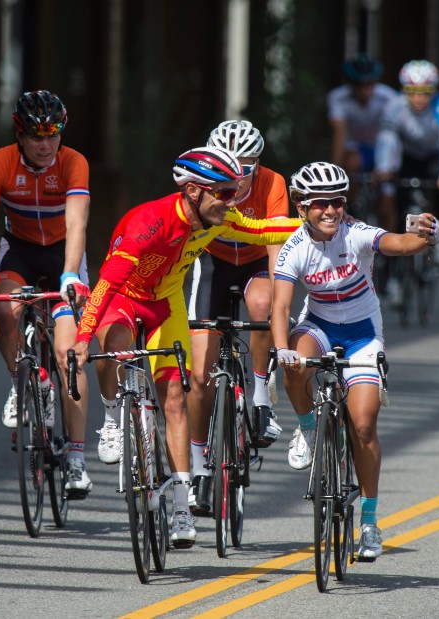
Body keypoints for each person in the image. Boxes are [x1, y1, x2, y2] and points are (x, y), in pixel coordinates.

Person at [68, 146, 299, 549]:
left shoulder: (217, 216)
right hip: (126, 297)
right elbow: (105, 287)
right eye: (224, 192)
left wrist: (320, 222)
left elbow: (266, 230)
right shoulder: (148, 224)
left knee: (175, 397)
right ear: (194, 191)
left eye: (234, 192)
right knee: (113, 345)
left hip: (165, 303)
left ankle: (180, 506)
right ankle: (109, 418)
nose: (233, 200)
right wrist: (82, 339)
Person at [271, 161, 439, 562]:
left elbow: (399, 243)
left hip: (363, 333)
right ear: (301, 208)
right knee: (294, 362)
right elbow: (280, 307)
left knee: (363, 425)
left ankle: (368, 522)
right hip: (318, 326)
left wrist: (426, 236)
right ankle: (309, 428)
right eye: (319, 204)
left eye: (337, 202)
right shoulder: (294, 248)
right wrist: (281, 349)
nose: (329, 211)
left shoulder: (356, 233)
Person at [0, 90, 93, 496]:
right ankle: (21, 383)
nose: (46, 144)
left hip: (63, 253)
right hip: (19, 251)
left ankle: (77, 459)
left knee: (71, 355)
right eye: (36, 136)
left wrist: (71, 275)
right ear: (20, 135)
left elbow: (78, 224)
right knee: (5, 311)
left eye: (53, 134)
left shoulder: (74, 162)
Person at [186, 120, 287, 516]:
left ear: (258, 163)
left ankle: (261, 398)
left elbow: (279, 252)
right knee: (199, 376)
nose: (240, 174)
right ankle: (196, 469)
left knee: (262, 305)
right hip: (213, 264)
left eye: (248, 165)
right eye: (232, 164)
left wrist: (281, 312)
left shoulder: (273, 184)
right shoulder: (201, 180)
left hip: (258, 262)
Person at [375, 59, 439, 298]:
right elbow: (387, 140)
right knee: (399, 203)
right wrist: (384, 168)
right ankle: (395, 275)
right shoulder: (394, 107)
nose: (419, 98)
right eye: (412, 92)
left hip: (435, 156)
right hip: (408, 156)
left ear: (433, 91)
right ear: (404, 91)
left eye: (425, 92)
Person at [327, 54, 398, 203]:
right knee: (351, 163)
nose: (364, 90)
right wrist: (334, 170)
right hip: (356, 148)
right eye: (359, 85)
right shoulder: (338, 97)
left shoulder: (389, 97)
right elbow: (340, 133)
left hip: (382, 147)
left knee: (387, 201)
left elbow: (394, 132)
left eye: (369, 84)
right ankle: (349, 205)